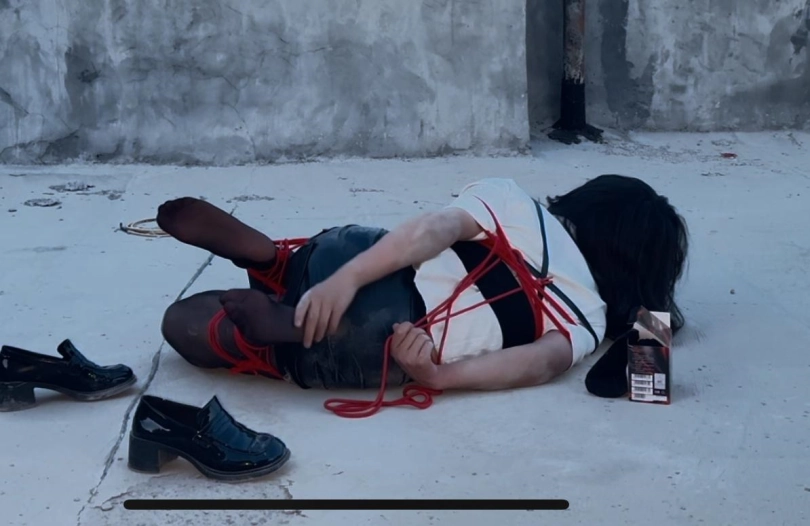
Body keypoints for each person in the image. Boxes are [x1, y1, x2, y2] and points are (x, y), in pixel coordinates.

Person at [157, 176, 688, 410]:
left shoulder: (515, 202)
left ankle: (273, 260)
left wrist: (347, 278)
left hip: (356, 257)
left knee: (313, 265)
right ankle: (277, 331)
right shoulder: (590, 313)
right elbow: (541, 363)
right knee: (186, 326)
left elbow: (432, 230)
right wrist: (439, 377)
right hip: (388, 341)